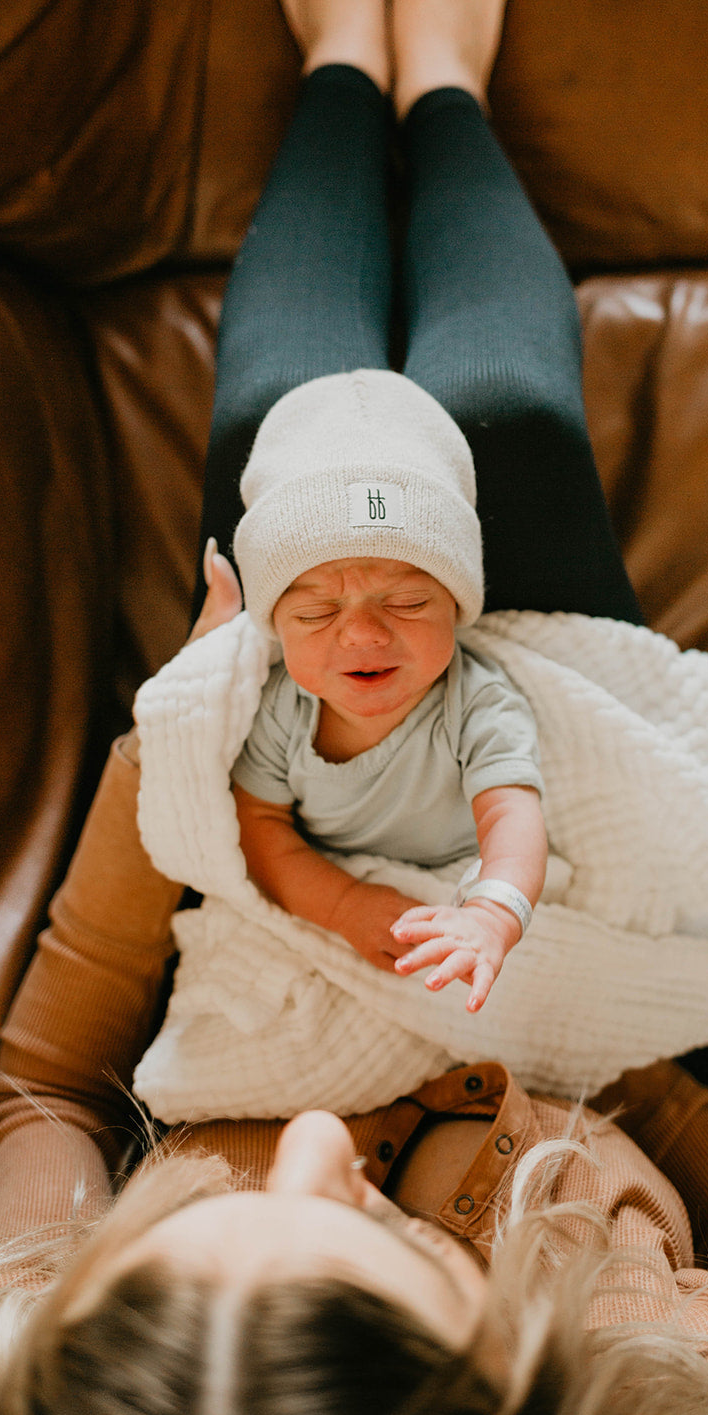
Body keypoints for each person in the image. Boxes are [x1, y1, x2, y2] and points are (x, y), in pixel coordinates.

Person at [0, 0, 708, 1415]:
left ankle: (343, 65)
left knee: (278, 431)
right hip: (523, 802)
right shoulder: (695, 1380)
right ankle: (441, 83)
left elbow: (48, 1083)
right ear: (508, 1369)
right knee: (505, 416)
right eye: (365, 1228)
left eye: (202, 1229)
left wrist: (194, 724)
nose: (309, 1151)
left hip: (290, 737)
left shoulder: (21, 1365)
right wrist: (620, 1077)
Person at [225, 370, 549, 1013]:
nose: (364, 636)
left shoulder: (477, 703)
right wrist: (342, 905)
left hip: (455, 879)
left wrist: (492, 914)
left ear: (456, 606)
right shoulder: (279, 712)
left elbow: (513, 816)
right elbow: (259, 827)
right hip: (346, 885)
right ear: (275, 626)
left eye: (406, 602)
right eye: (316, 614)